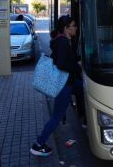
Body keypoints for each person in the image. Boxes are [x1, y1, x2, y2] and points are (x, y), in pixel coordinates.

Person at [30, 15, 85, 157]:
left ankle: (85, 118)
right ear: (66, 28)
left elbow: (68, 59)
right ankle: (38, 144)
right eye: (73, 25)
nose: (76, 28)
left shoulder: (65, 41)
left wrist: (77, 61)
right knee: (56, 116)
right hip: (63, 85)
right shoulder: (62, 43)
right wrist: (76, 66)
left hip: (68, 83)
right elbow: (62, 64)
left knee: (83, 89)